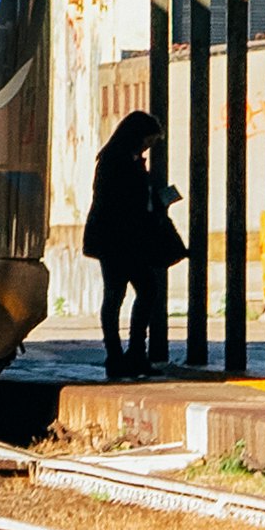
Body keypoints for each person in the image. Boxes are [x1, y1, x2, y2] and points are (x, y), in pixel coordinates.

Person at [81, 108, 181, 378]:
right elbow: (120, 201)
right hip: (117, 239)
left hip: (120, 239)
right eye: (149, 139)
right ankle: (125, 354)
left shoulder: (124, 158)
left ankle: (126, 354)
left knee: (126, 294)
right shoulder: (118, 160)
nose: (150, 145)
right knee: (130, 292)